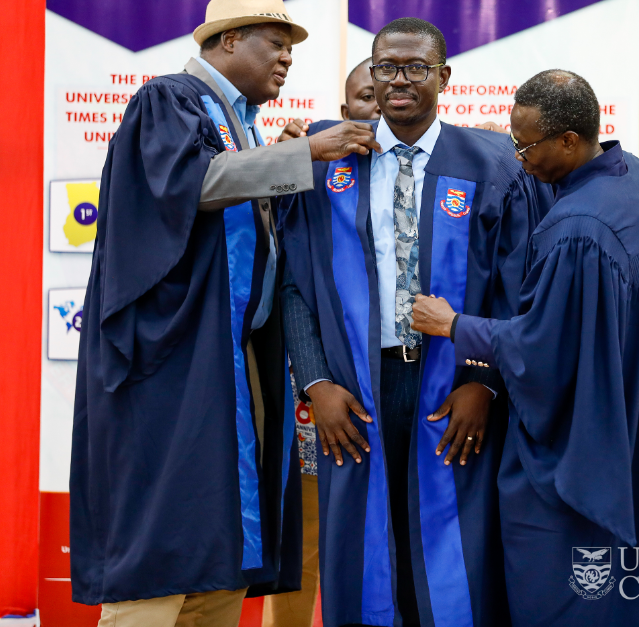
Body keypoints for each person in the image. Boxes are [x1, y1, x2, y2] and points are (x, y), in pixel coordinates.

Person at [69, 0, 380, 625]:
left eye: (292, 44)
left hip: (235, 360)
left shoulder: (247, 127)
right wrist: (305, 155)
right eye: (275, 41)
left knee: (224, 548)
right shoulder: (169, 99)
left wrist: (292, 164)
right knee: (162, 541)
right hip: (172, 362)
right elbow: (193, 184)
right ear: (229, 40)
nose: (289, 55)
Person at [412, 70, 639, 627]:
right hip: (638, 408)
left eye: (525, 145)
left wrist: (454, 324)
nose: (518, 158)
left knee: (575, 579)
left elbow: (542, 349)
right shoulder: (629, 177)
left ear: (569, 142)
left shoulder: (579, 231)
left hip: (588, 437)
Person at [278, 18, 553, 627]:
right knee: (362, 545)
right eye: (386, 68)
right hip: (355, 388)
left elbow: (515, 289)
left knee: (453, 547)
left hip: (453, 387)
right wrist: (316, 383)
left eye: (415, 68)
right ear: (371, 76)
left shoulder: (490, 163)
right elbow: (296, 284)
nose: (399, 82)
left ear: (443, 77)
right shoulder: (327, 158)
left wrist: (484, 381)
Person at [262, 57, 382, 627]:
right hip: (325, 404)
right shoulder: (310, 175)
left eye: (388, 96)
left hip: (411, 399)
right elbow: (293, 288)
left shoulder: (441, 178)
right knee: (306, 541)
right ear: (343, 113)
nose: (379, 107)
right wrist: (316, 383)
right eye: (365, 97)